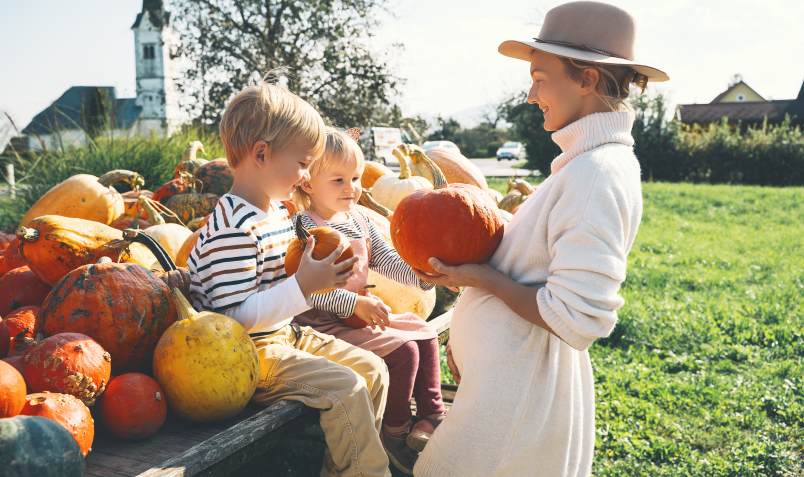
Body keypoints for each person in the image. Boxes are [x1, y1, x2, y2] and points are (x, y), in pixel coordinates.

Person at [411, 2, 669, 476]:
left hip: (514, 411)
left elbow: (576, 317)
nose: (530, 94)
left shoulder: (595, 173)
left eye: (539, 76)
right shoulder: (586, 164)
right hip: (509, 392)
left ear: (587, 79)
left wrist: (481, 278)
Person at [187, 82, 393, 477]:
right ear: (261, 154)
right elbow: (234, 319)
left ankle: (347, 470)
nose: (303, 176)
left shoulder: (277, 214)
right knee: (346, 389)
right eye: (302, 163)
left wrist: (320, 273)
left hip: (283, 336)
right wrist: (304, 287)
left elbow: (287, 280)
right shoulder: (233, 228)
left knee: (372, 371)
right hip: (246, 355)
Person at [292, 127, 448, 475]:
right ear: (307, 184)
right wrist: (354, 305)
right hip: (323, 324)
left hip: (358, 315)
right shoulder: (305, 227)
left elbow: (389, 261)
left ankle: (431, 413)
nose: (351, 188)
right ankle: (393, 433)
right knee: (404, 351)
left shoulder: (360, 219)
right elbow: (308, 287)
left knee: (423, 331)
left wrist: (423, 274)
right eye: (338, 181)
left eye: (356, 178)